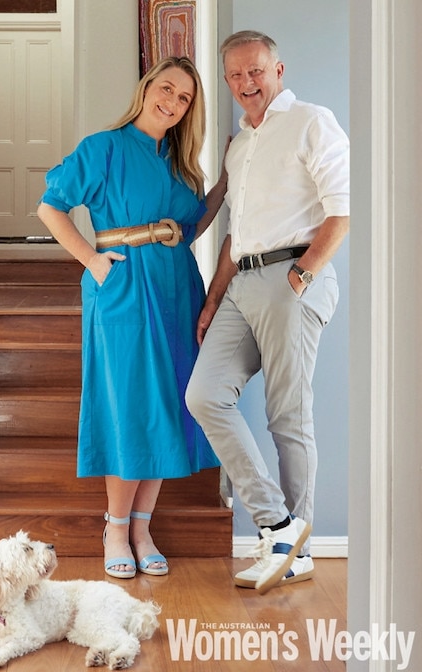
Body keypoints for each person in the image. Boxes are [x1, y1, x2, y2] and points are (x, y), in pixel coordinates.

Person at [37, 57, 226, 580]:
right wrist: (92, 262)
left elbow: (187, 228)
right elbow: (51, 207)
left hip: (175, 287)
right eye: (166, 88)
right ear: (147, 88)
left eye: (185, 97)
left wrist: (226, 182)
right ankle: (115, 526)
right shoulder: (103, 148)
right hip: (122, 287)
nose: (172, 100)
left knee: (167, 402)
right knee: (129, 404)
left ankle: (143, 526)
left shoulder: (182, 163)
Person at [186, 30, 350, 594]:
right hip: (241, 281)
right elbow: (235, 231)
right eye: (235, 75)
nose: (246, 83)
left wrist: (302, 275)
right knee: (203, 395)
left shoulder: (311, 121)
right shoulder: (238, 144)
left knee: (287, 413)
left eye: (255, 71)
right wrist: (213, 296)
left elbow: (343, 208)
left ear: (278, 69)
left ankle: (293, 550)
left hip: (290, 277)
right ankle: (277, 523)